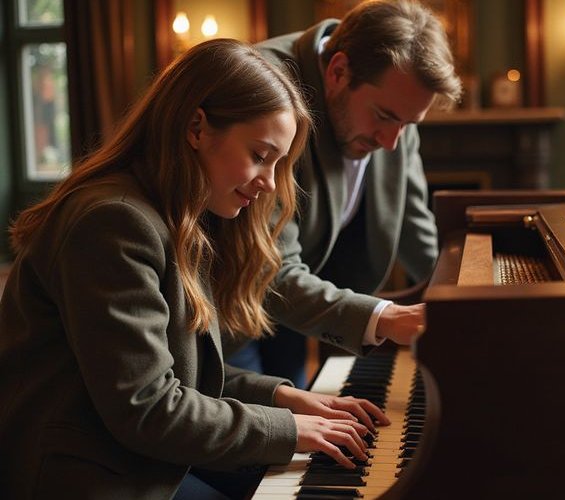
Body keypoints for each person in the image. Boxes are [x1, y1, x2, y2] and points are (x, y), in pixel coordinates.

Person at [0, 38, 390, 500]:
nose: (268, 184)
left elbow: (184, 376)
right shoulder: (113, 222)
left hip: (142, 453)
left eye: (278, 163)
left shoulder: (177, 212)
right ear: (196, 127)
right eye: (260, 156)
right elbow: (149, 408)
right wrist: (289, 427)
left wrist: (286, 398)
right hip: (90, 475)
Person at [230, 0, 463, 387]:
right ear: (338, 71)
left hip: (301, 307)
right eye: (385, 117)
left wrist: (460, 307)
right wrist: (384, 318)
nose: (392, 143)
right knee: (263, 432)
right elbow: (269, 269)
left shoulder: (396, 102)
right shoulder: (269, 87)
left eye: (409, 124)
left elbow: (414, 226)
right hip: (231, 313)